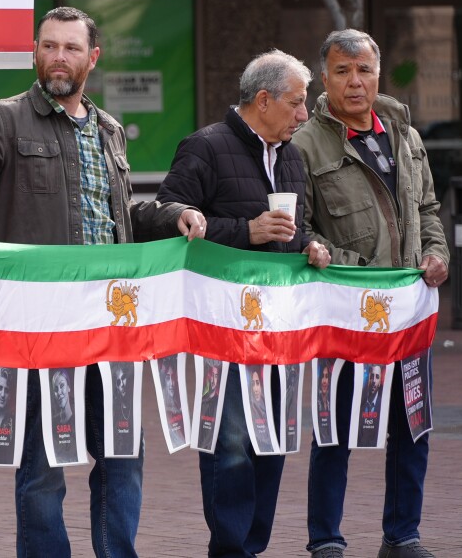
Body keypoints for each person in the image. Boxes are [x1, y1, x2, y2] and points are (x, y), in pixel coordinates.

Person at [0, 6, 206, 558]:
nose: (58, 57)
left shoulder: (109, 129)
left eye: (70, 48)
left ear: (93, 58)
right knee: (43, 467)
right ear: (34, 53)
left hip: (112, 323)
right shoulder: (2, 119)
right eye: (48, 46)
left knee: (123, 457)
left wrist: (172, 216)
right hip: (40, 325)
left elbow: (116, 215)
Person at [156, 48, 330, 556]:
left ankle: (251, 547)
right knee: (231, 442)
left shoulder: (291, 157)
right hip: (224, 327)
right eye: (296, 103)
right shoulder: (206, 146)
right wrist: (245, 231)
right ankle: (231, 549)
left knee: (272, 441)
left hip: (280, 326)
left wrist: (311, 245)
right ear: (264, 100)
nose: (304, 114)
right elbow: (167, 219)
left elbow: (294, 231)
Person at [295, 29, 449, 558]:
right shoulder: (305, 144)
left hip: (408, 311)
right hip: (346, 312)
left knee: (412, 427)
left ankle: (402, 536)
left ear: (378, 74)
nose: (354, 82)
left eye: (363, 70)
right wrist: (342, 262)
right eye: (342, 71)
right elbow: (302, 229)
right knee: (334, 430)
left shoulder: (404, 135)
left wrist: (437, 253)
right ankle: (326, 541)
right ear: (324, 77)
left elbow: (427, 210)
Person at [0, 367, 17, 465]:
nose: (3, 394)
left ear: (10, 396)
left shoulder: (15, 423)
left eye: (7, 390)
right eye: (0, 388)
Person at [50, 369, 76, 463]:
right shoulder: (52, 425)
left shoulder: (78, 421)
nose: (59, 392)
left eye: (62, 386)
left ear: (68, 387)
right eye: (56, 389)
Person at [110, 363, 136, 456]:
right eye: (118, 382)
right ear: (116, 388)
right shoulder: (115, 411)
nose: (121, 385)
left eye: (123, 378)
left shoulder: (134, 406)